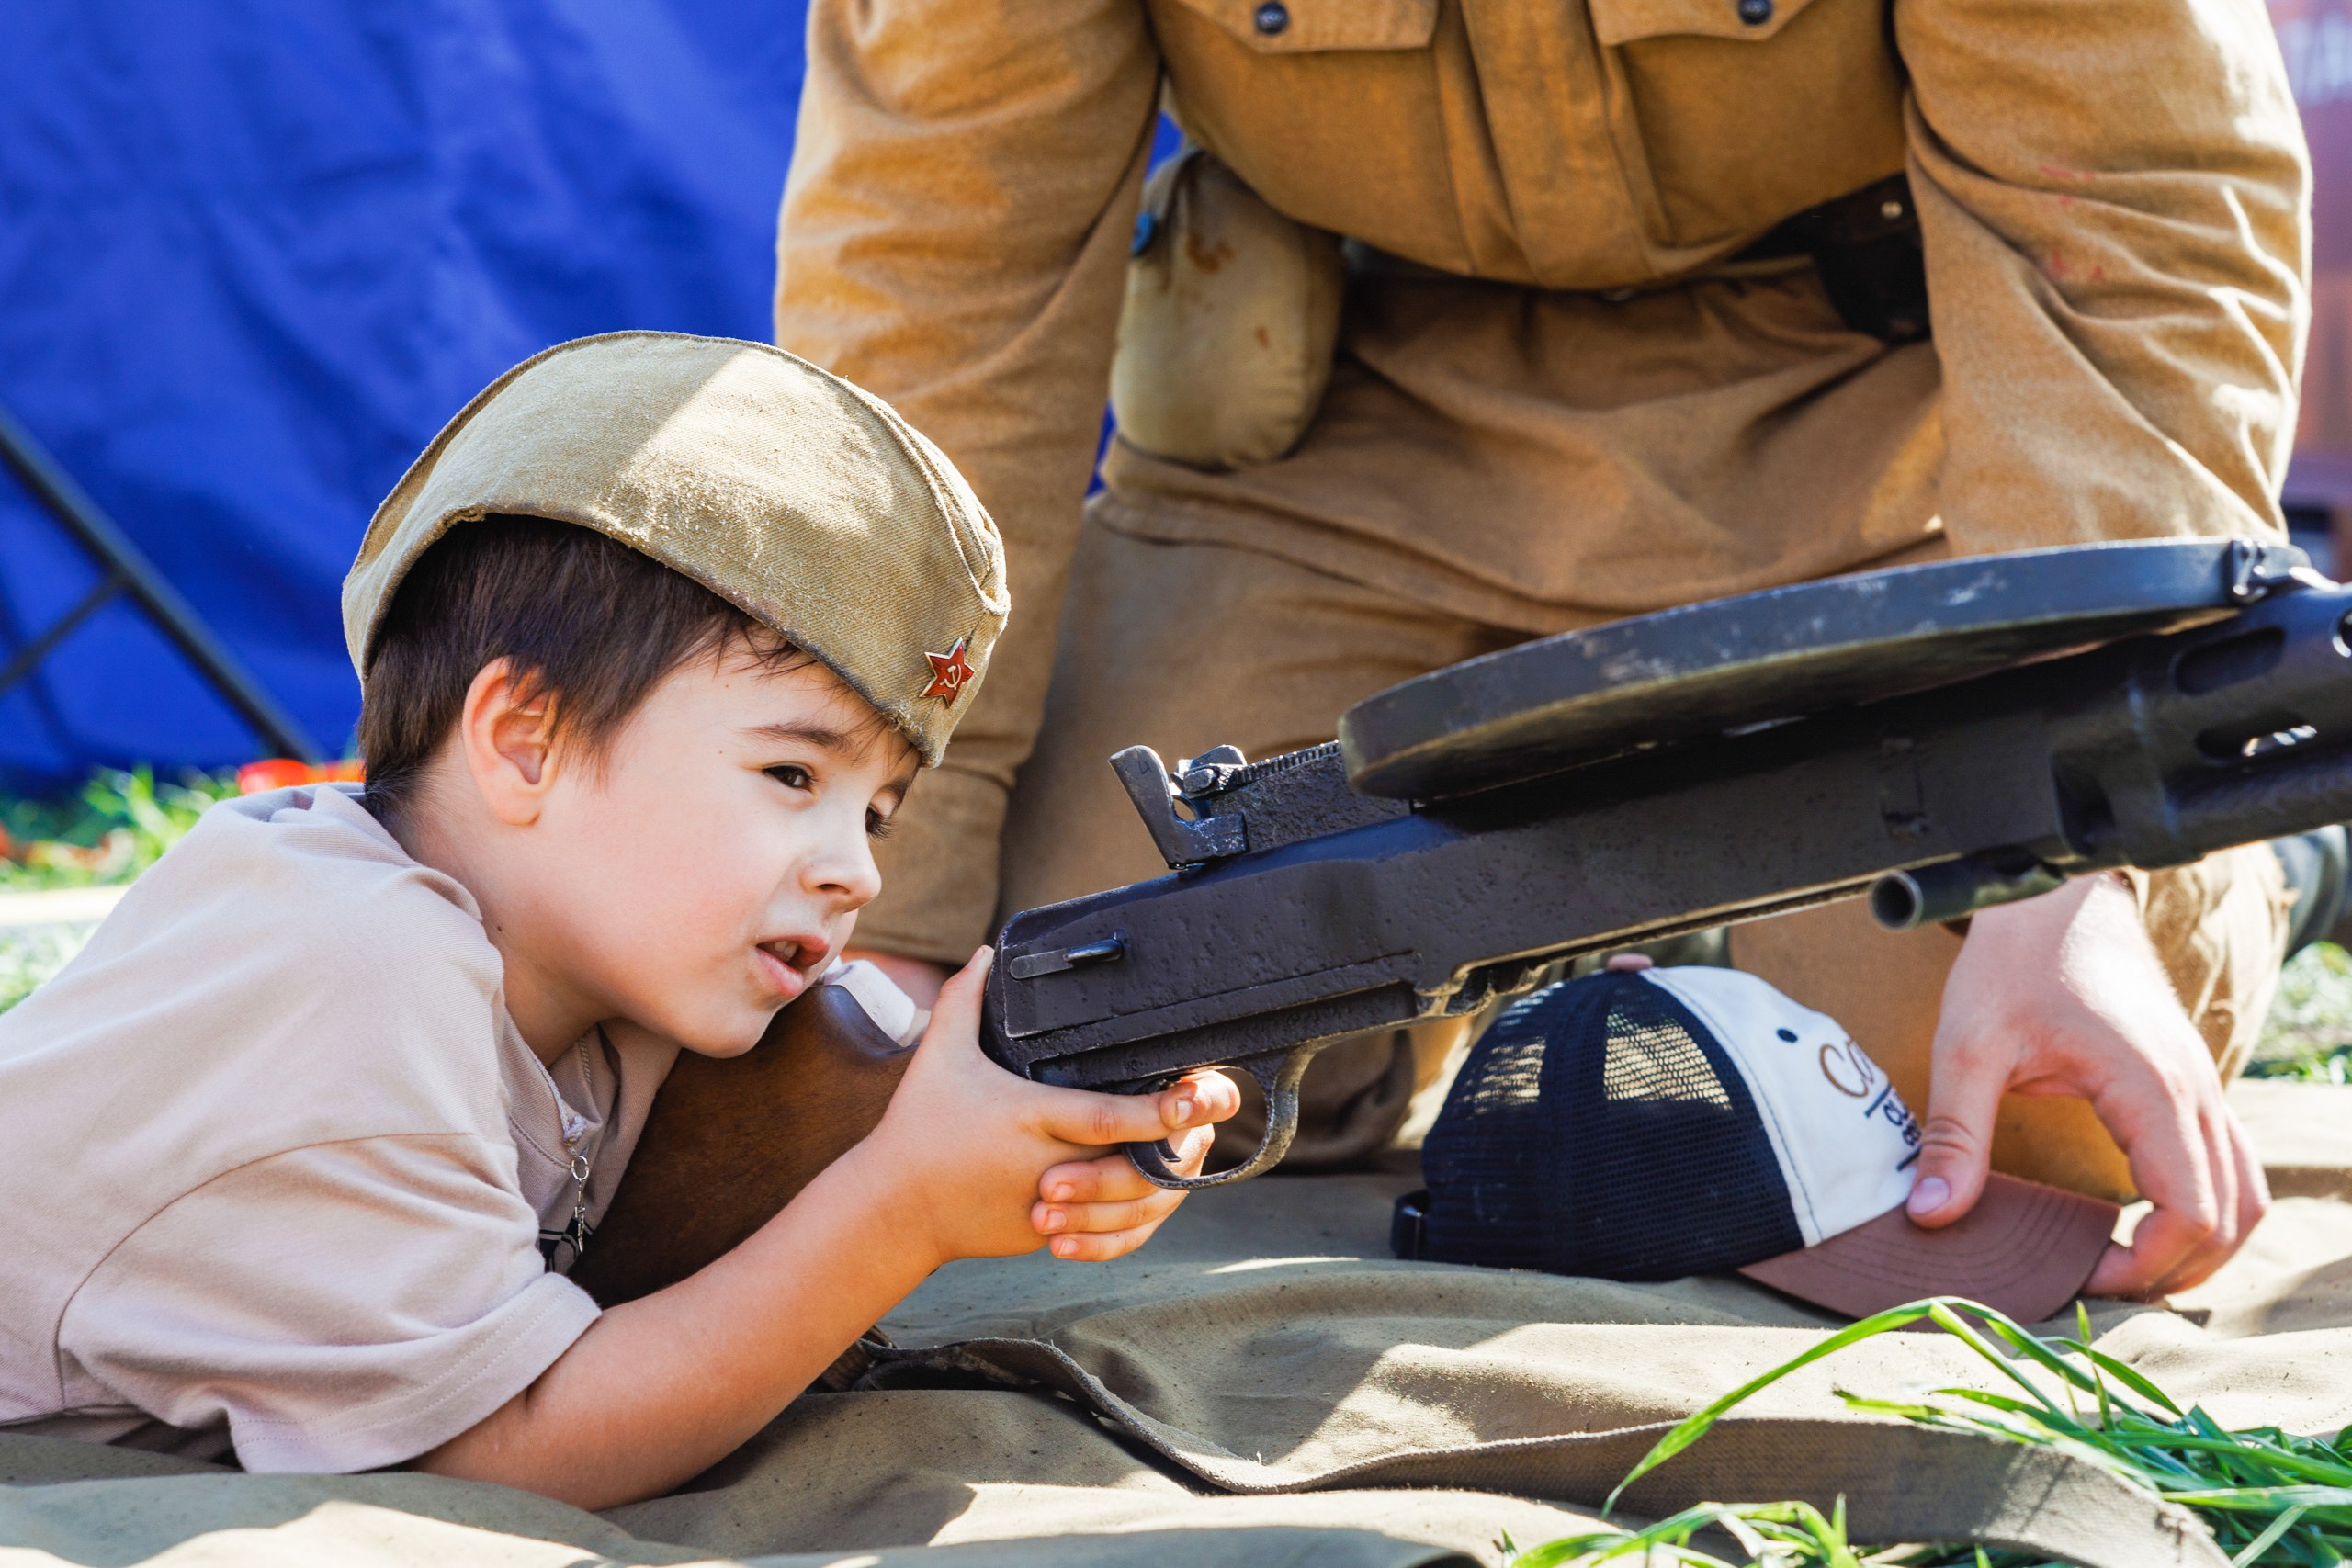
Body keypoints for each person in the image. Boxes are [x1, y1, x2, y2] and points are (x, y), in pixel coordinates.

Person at [772, 0, 2309, 1299]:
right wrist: (887, 888)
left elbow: (2126, 212)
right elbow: (938, 256)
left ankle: (2280, 874)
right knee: (1068, 1039)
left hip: (1896, 457)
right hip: (1345, 448)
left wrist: (2073, 852)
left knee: (1989, 1127)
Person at [0, 332, 1239, 1508]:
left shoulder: (615, 986)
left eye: (879, 813)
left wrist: (1044, 1139)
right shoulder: (346, 962)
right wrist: (900, 1205)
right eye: (793, 778)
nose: (856, 873)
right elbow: (505, 1456)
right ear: (524, 743)